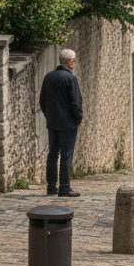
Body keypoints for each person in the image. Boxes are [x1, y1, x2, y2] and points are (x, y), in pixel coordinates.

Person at [39, 49, 83, 197]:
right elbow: (76, 102)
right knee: (66, 155)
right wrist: (78, 118)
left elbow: (42, 101)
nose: (74, 63)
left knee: (53, 154)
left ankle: (51, 187)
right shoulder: (71, 79)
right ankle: (64, 187)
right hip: (68, 124)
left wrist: (48, 116)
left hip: (53, 123)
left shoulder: (48, 77)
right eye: (74, 60)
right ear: (70, 62)